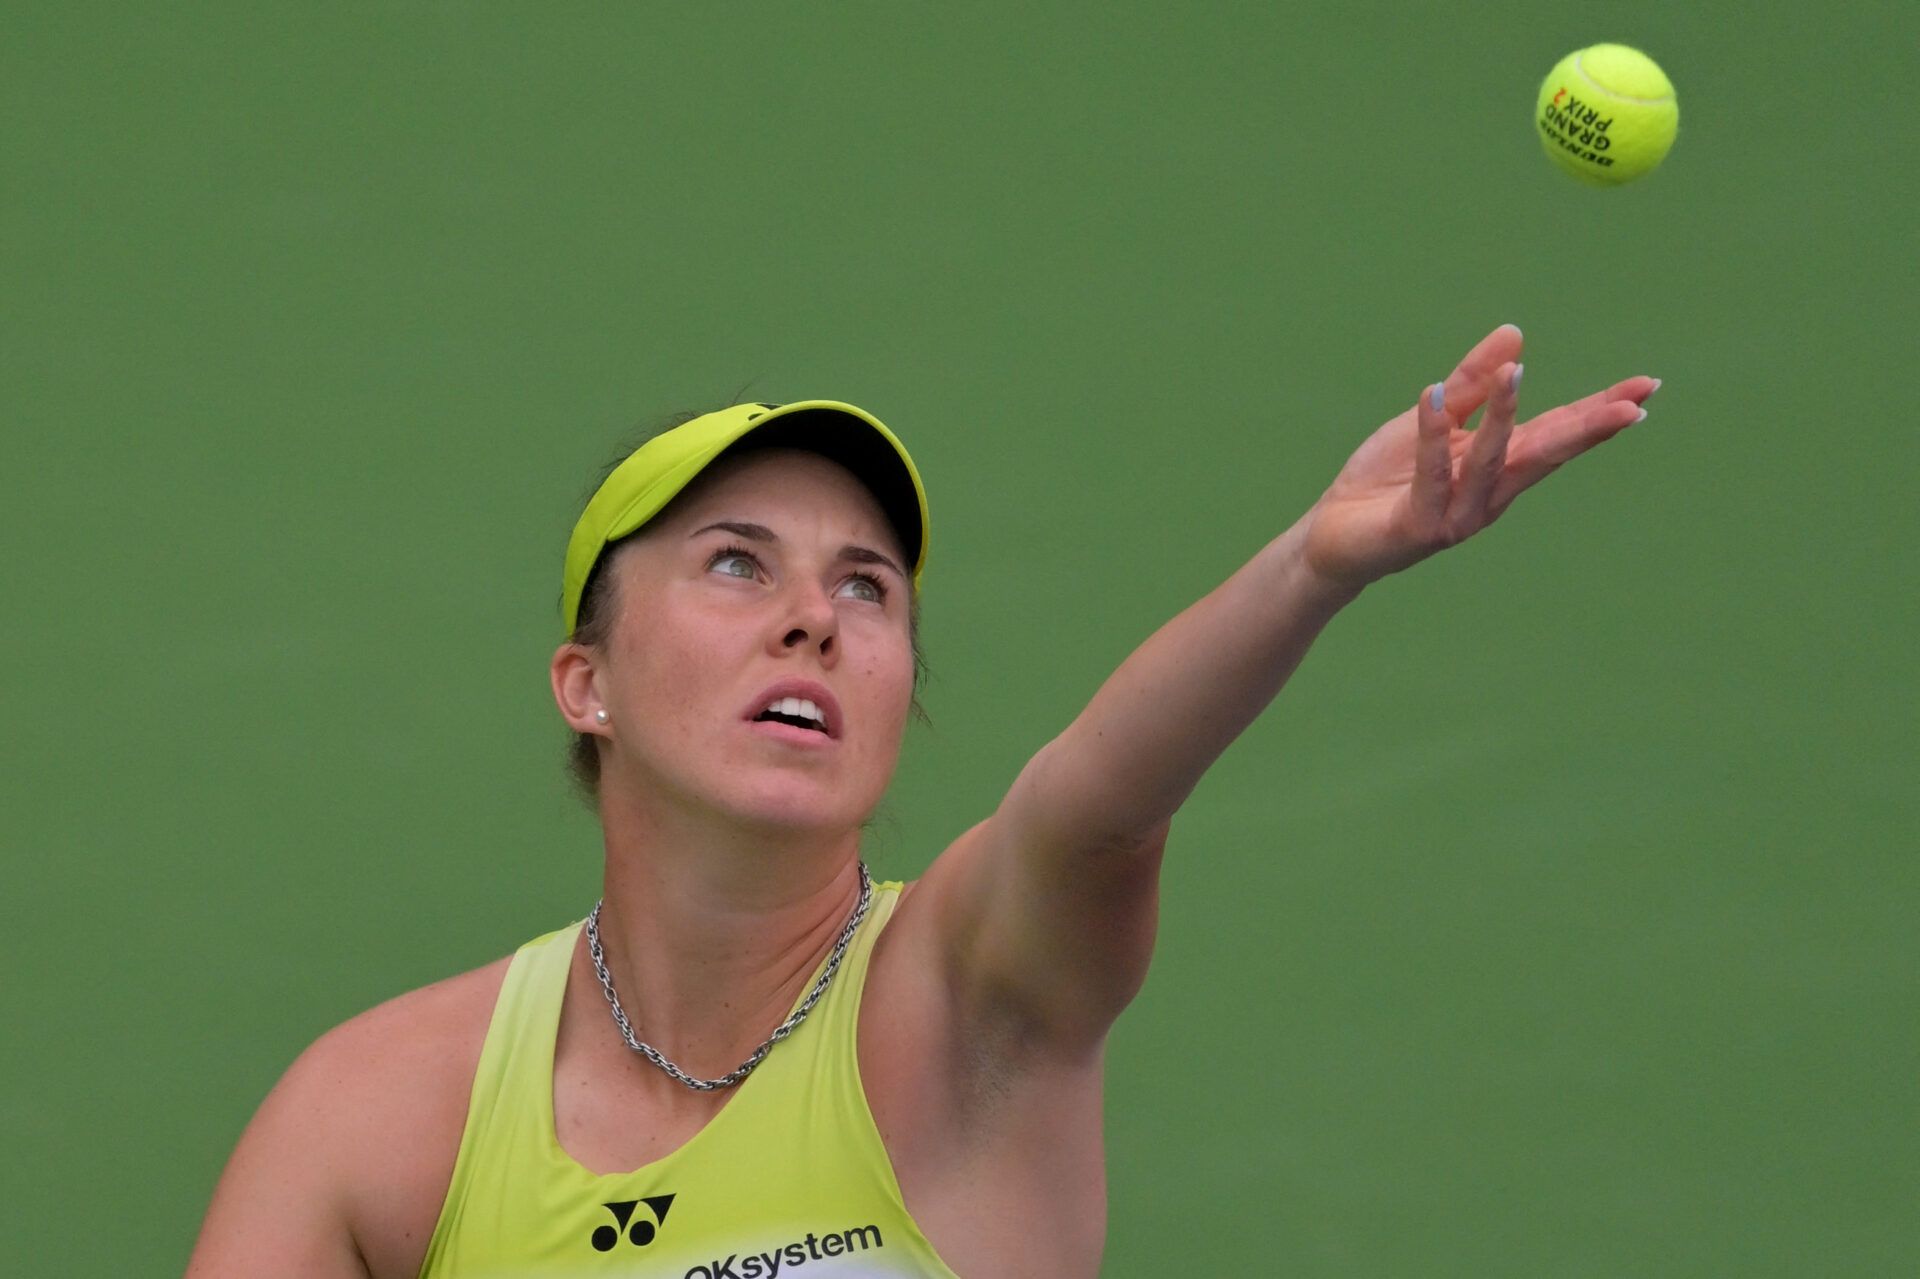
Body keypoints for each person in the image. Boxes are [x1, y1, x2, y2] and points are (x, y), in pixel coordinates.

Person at [186, 324, 1657, 1278]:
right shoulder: (376, 1114)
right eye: (736, 563)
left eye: (866, 588)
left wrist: (1314, 566)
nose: (814, 620)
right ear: (589, 684)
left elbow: (1098, 809)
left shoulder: (969, 1004)